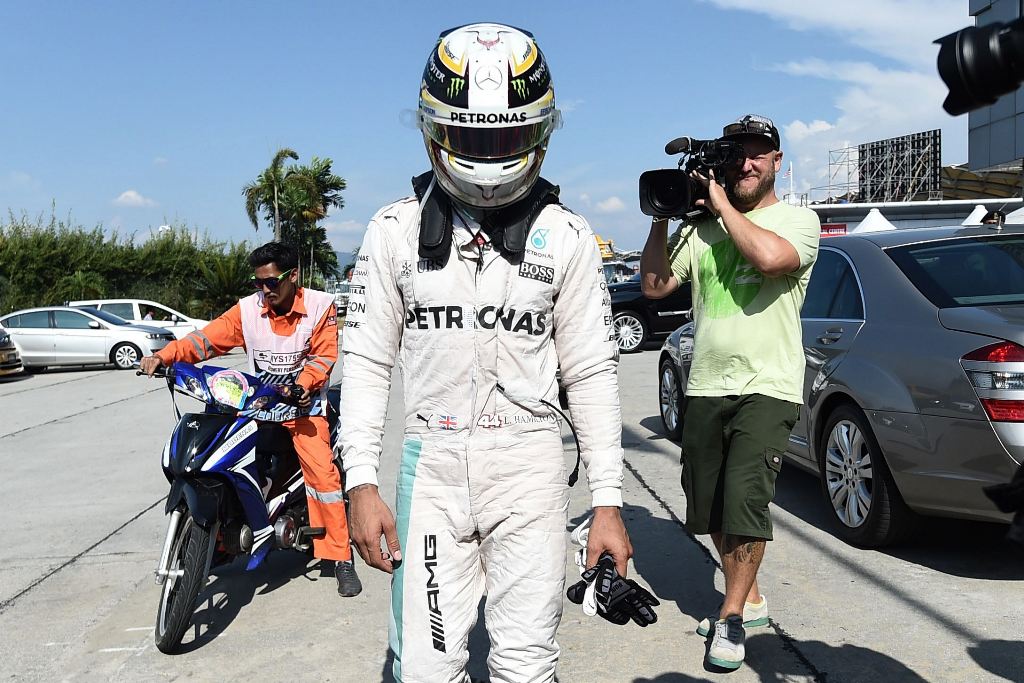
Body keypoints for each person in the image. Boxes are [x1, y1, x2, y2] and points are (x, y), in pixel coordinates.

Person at [339, 23, 631, 682]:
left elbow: (591, 373)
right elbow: (364, 363)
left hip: (528, 471)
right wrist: (361, 482)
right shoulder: (393, 232)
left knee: (526, 666)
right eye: (474, 139)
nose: (491, 156)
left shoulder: (568, 239)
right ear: (434, 129)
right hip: (431, 468)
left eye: (506, 139)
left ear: (539, 132)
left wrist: (607, 501)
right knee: (423, 666)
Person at [640, 114, 820, 670]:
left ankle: (733, 616)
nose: (746, 162)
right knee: (711, 503)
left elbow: (769, 261)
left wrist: (718, 206)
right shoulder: (701, 229)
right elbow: (652, 287)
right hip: (705, 386)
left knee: (745, 501)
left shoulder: (798, 220)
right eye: (737, 153)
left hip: (766, 385)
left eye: (758, 153)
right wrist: (663, 218)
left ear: (776, 163)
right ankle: (752, 596)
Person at [139, 241, 362, 597]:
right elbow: (204, 341)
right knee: (220, 457)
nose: (264, 290)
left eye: (272, 282)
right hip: (255, 407)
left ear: (294, 276)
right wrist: (165, 357)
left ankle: (339, 557)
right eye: (258, 282)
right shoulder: (247, 310)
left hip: (301, 409)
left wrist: (304, 385)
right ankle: (223, 538)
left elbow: (323, 356)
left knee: (322, 477)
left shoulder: (321, 306)